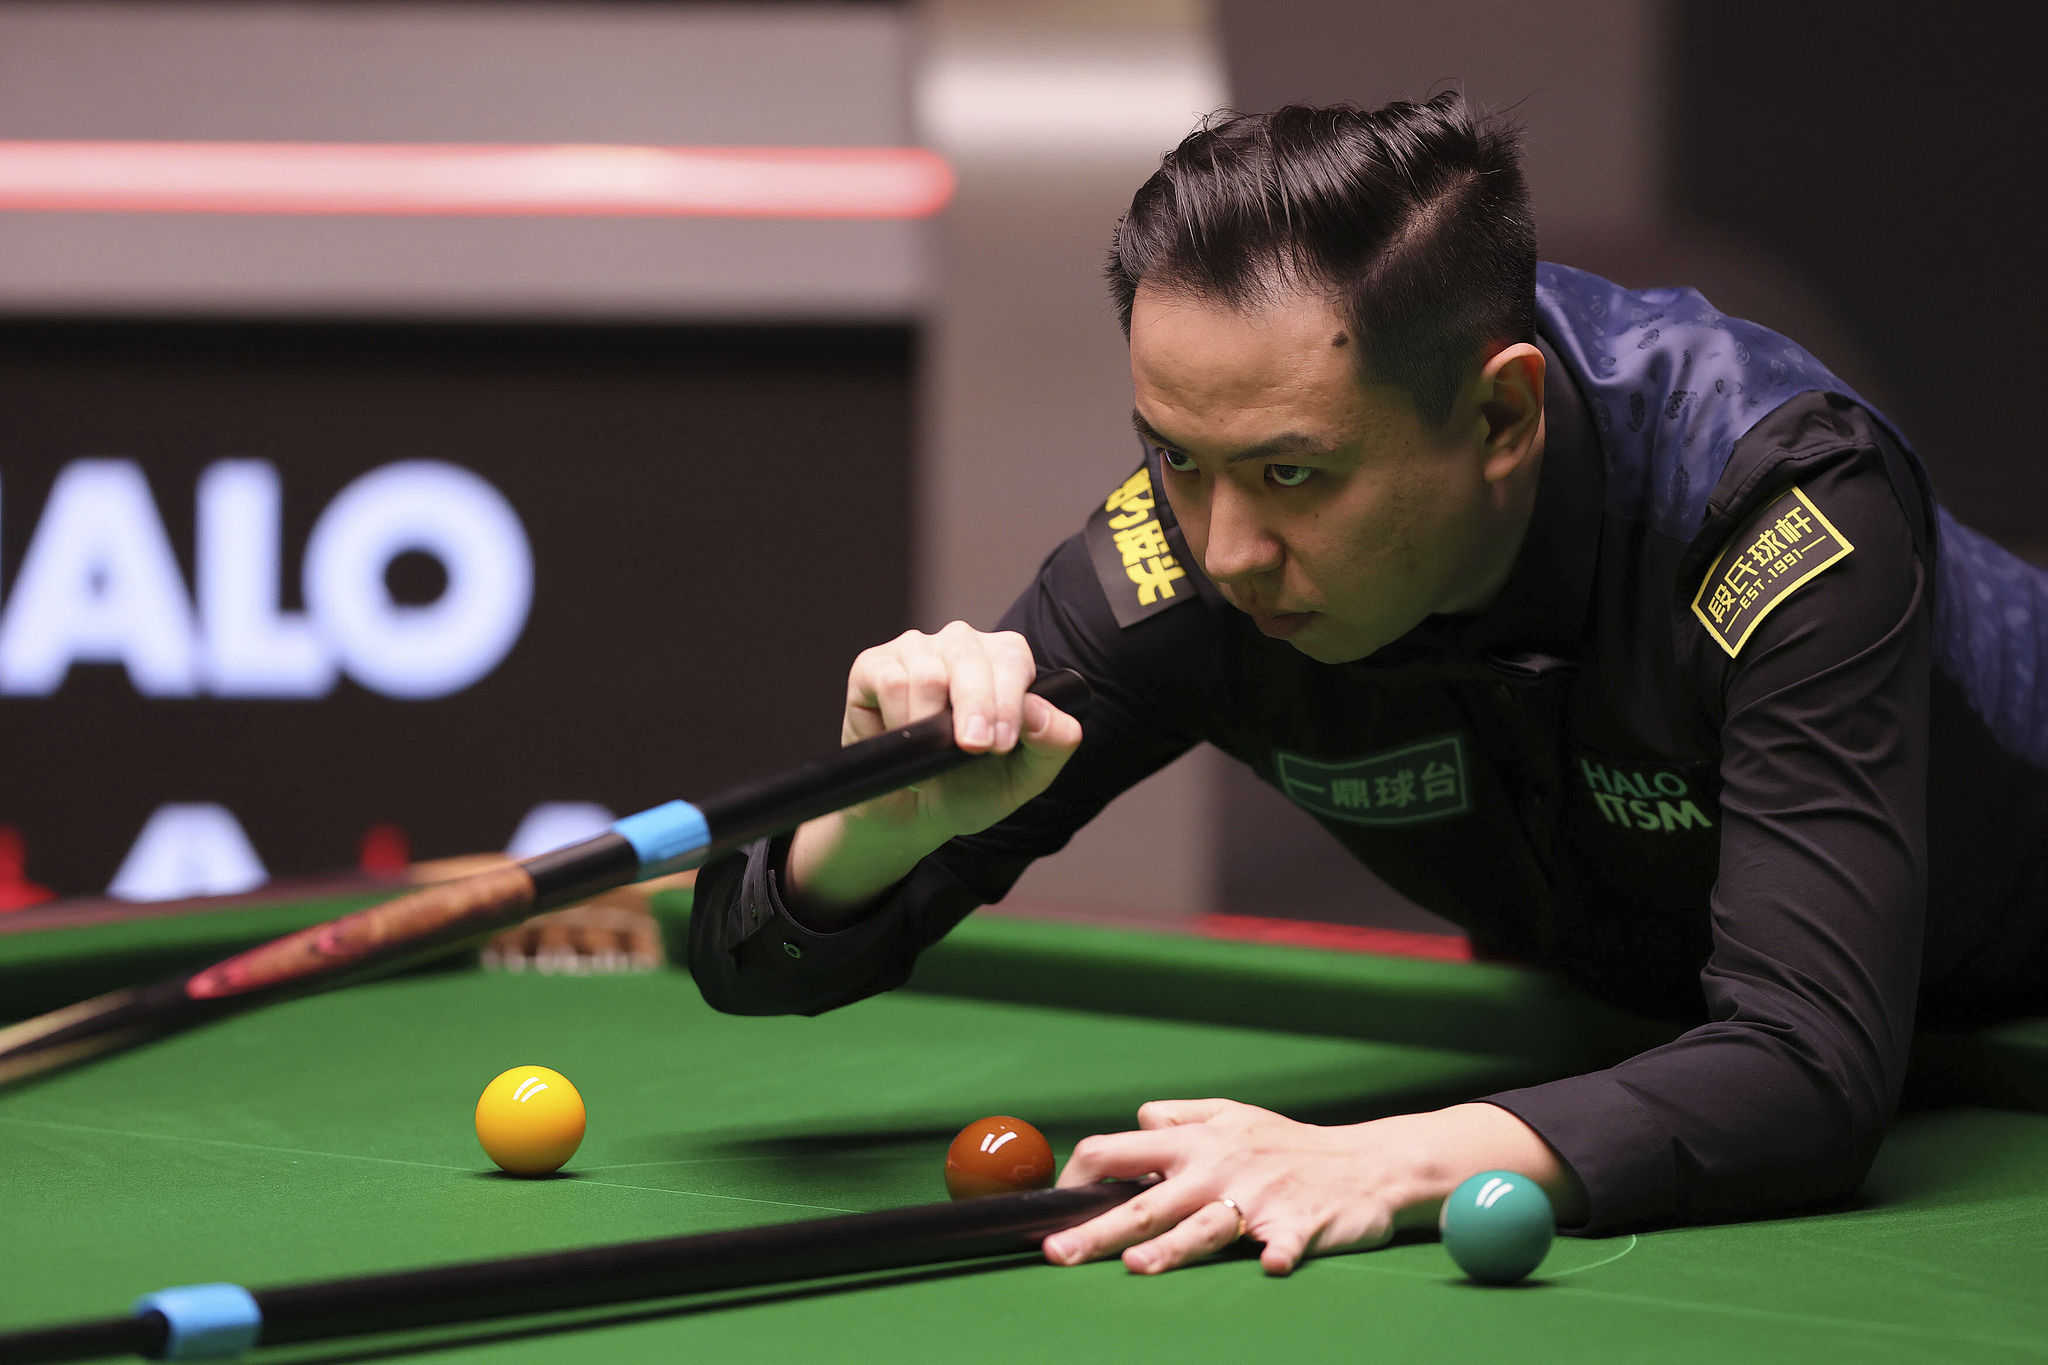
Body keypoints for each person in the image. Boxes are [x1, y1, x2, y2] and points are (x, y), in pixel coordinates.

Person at [688, 93, 2048, 1276]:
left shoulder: (1773, 512)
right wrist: (883, 824)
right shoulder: (1189, 566)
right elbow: (746, 960)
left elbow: (1809, 1068)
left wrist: (1381, 1160)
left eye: (1292, 473)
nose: (1224, 549)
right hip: (1635, 1013)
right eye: (1172, 455)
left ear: (1502, 418)